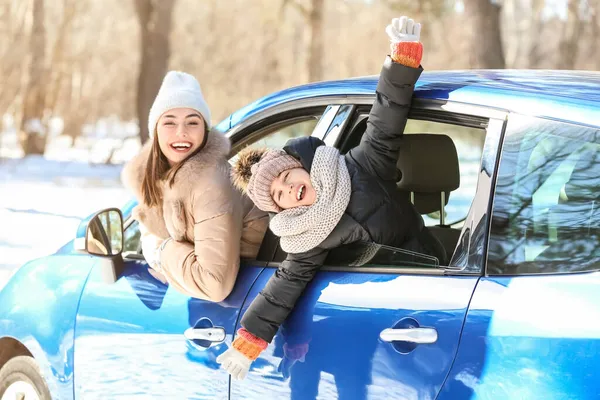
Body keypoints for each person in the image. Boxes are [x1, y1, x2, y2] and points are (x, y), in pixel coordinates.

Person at [217, 16, 446, 379]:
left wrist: (400, 61)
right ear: (281, 210)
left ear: (302, 166)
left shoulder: (360, 165)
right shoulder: (306, 238)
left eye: (288, 177)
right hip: (389, 306)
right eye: (278, 196)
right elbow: (281, 290)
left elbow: (385, 120)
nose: (288, 189)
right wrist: (249, 341)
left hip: (436, 265)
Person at [121, 70, 268, 302]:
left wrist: (160, 251)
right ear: (155, 130)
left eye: (192, 122)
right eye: (169, 122)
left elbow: (214, 284)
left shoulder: (212, 182)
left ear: (205, 130)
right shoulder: (163, 179)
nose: (182, 132)